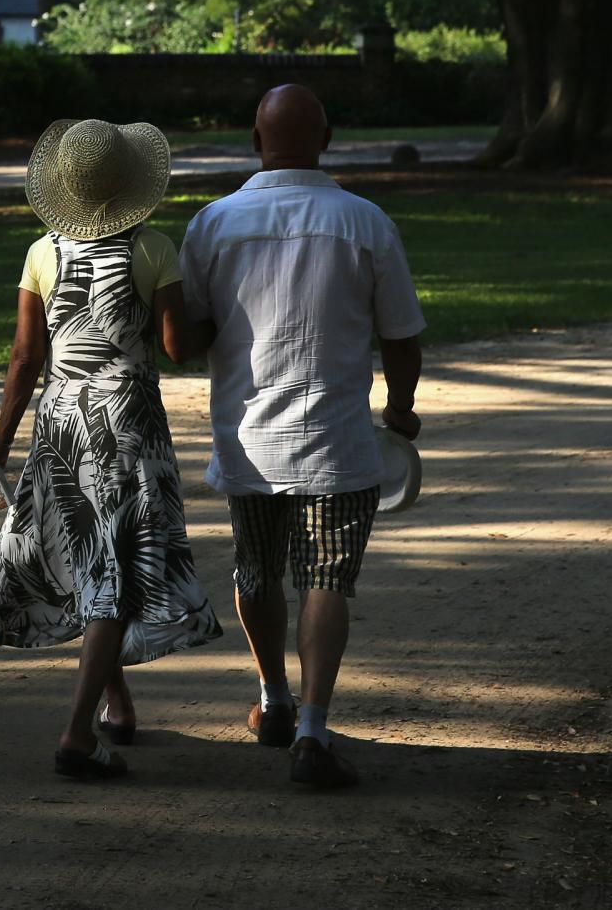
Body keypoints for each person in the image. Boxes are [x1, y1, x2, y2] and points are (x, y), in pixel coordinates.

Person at [180, 83, 424, 791]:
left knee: (256, 568)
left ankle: (273, 698)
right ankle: (313, 727)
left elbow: (189, 330)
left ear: (255, 142)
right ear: (329, 138)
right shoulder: (365, 222)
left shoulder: (214, 223)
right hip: (339, 438)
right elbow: (401, 334)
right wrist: (402, 409)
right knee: (326, 578)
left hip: (248, 433)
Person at [0, 117, 225, 781]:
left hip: (61, 426)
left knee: (90, 559)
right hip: (127, 429)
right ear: (131, 186)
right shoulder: (153, 250)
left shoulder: (41, 253)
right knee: (114, 572)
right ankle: (78, 733)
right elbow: (178, 346)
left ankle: (116, 703)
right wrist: (224, 317)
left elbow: (27, 358)